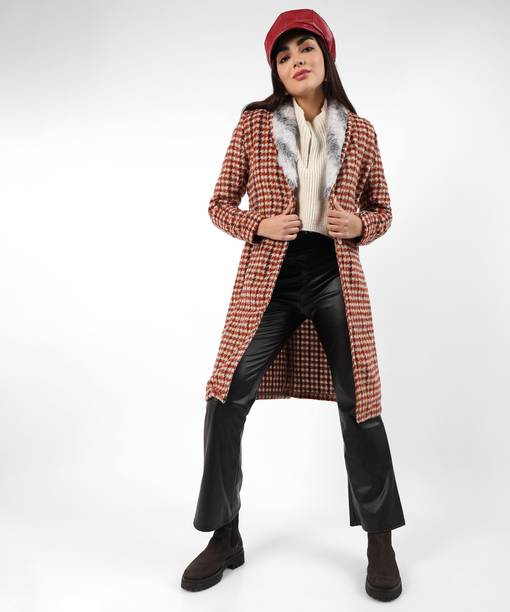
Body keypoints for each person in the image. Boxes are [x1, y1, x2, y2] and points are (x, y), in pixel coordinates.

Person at [181, 9, 406, 602]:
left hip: (334, 276)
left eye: (305, 48)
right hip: (270, 280)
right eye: (283, 56)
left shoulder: (361, 131)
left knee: (362, 406)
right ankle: (225, 534)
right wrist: (258, 223)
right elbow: (218, 204)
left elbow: (383, 209)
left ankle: (380, 541)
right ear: (275, 71)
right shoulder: (254, 125)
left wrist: (360, 224)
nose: (295, 61)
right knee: (225, 395)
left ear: (326, 54)